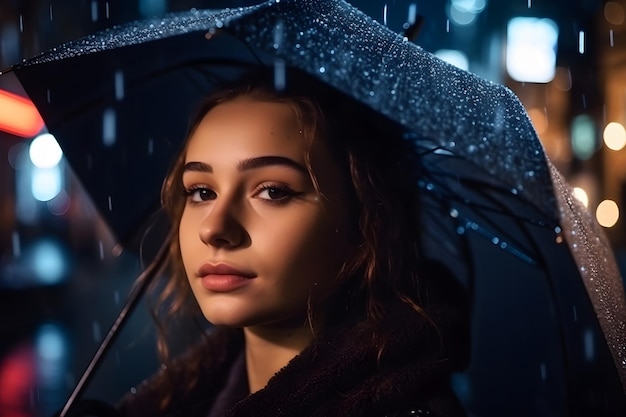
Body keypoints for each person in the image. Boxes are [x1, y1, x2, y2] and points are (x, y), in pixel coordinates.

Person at [117, 68, 471, 417]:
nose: (214, 228)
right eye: (202, 191)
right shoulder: (179, 402)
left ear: (364, 224)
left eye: (273, 191)